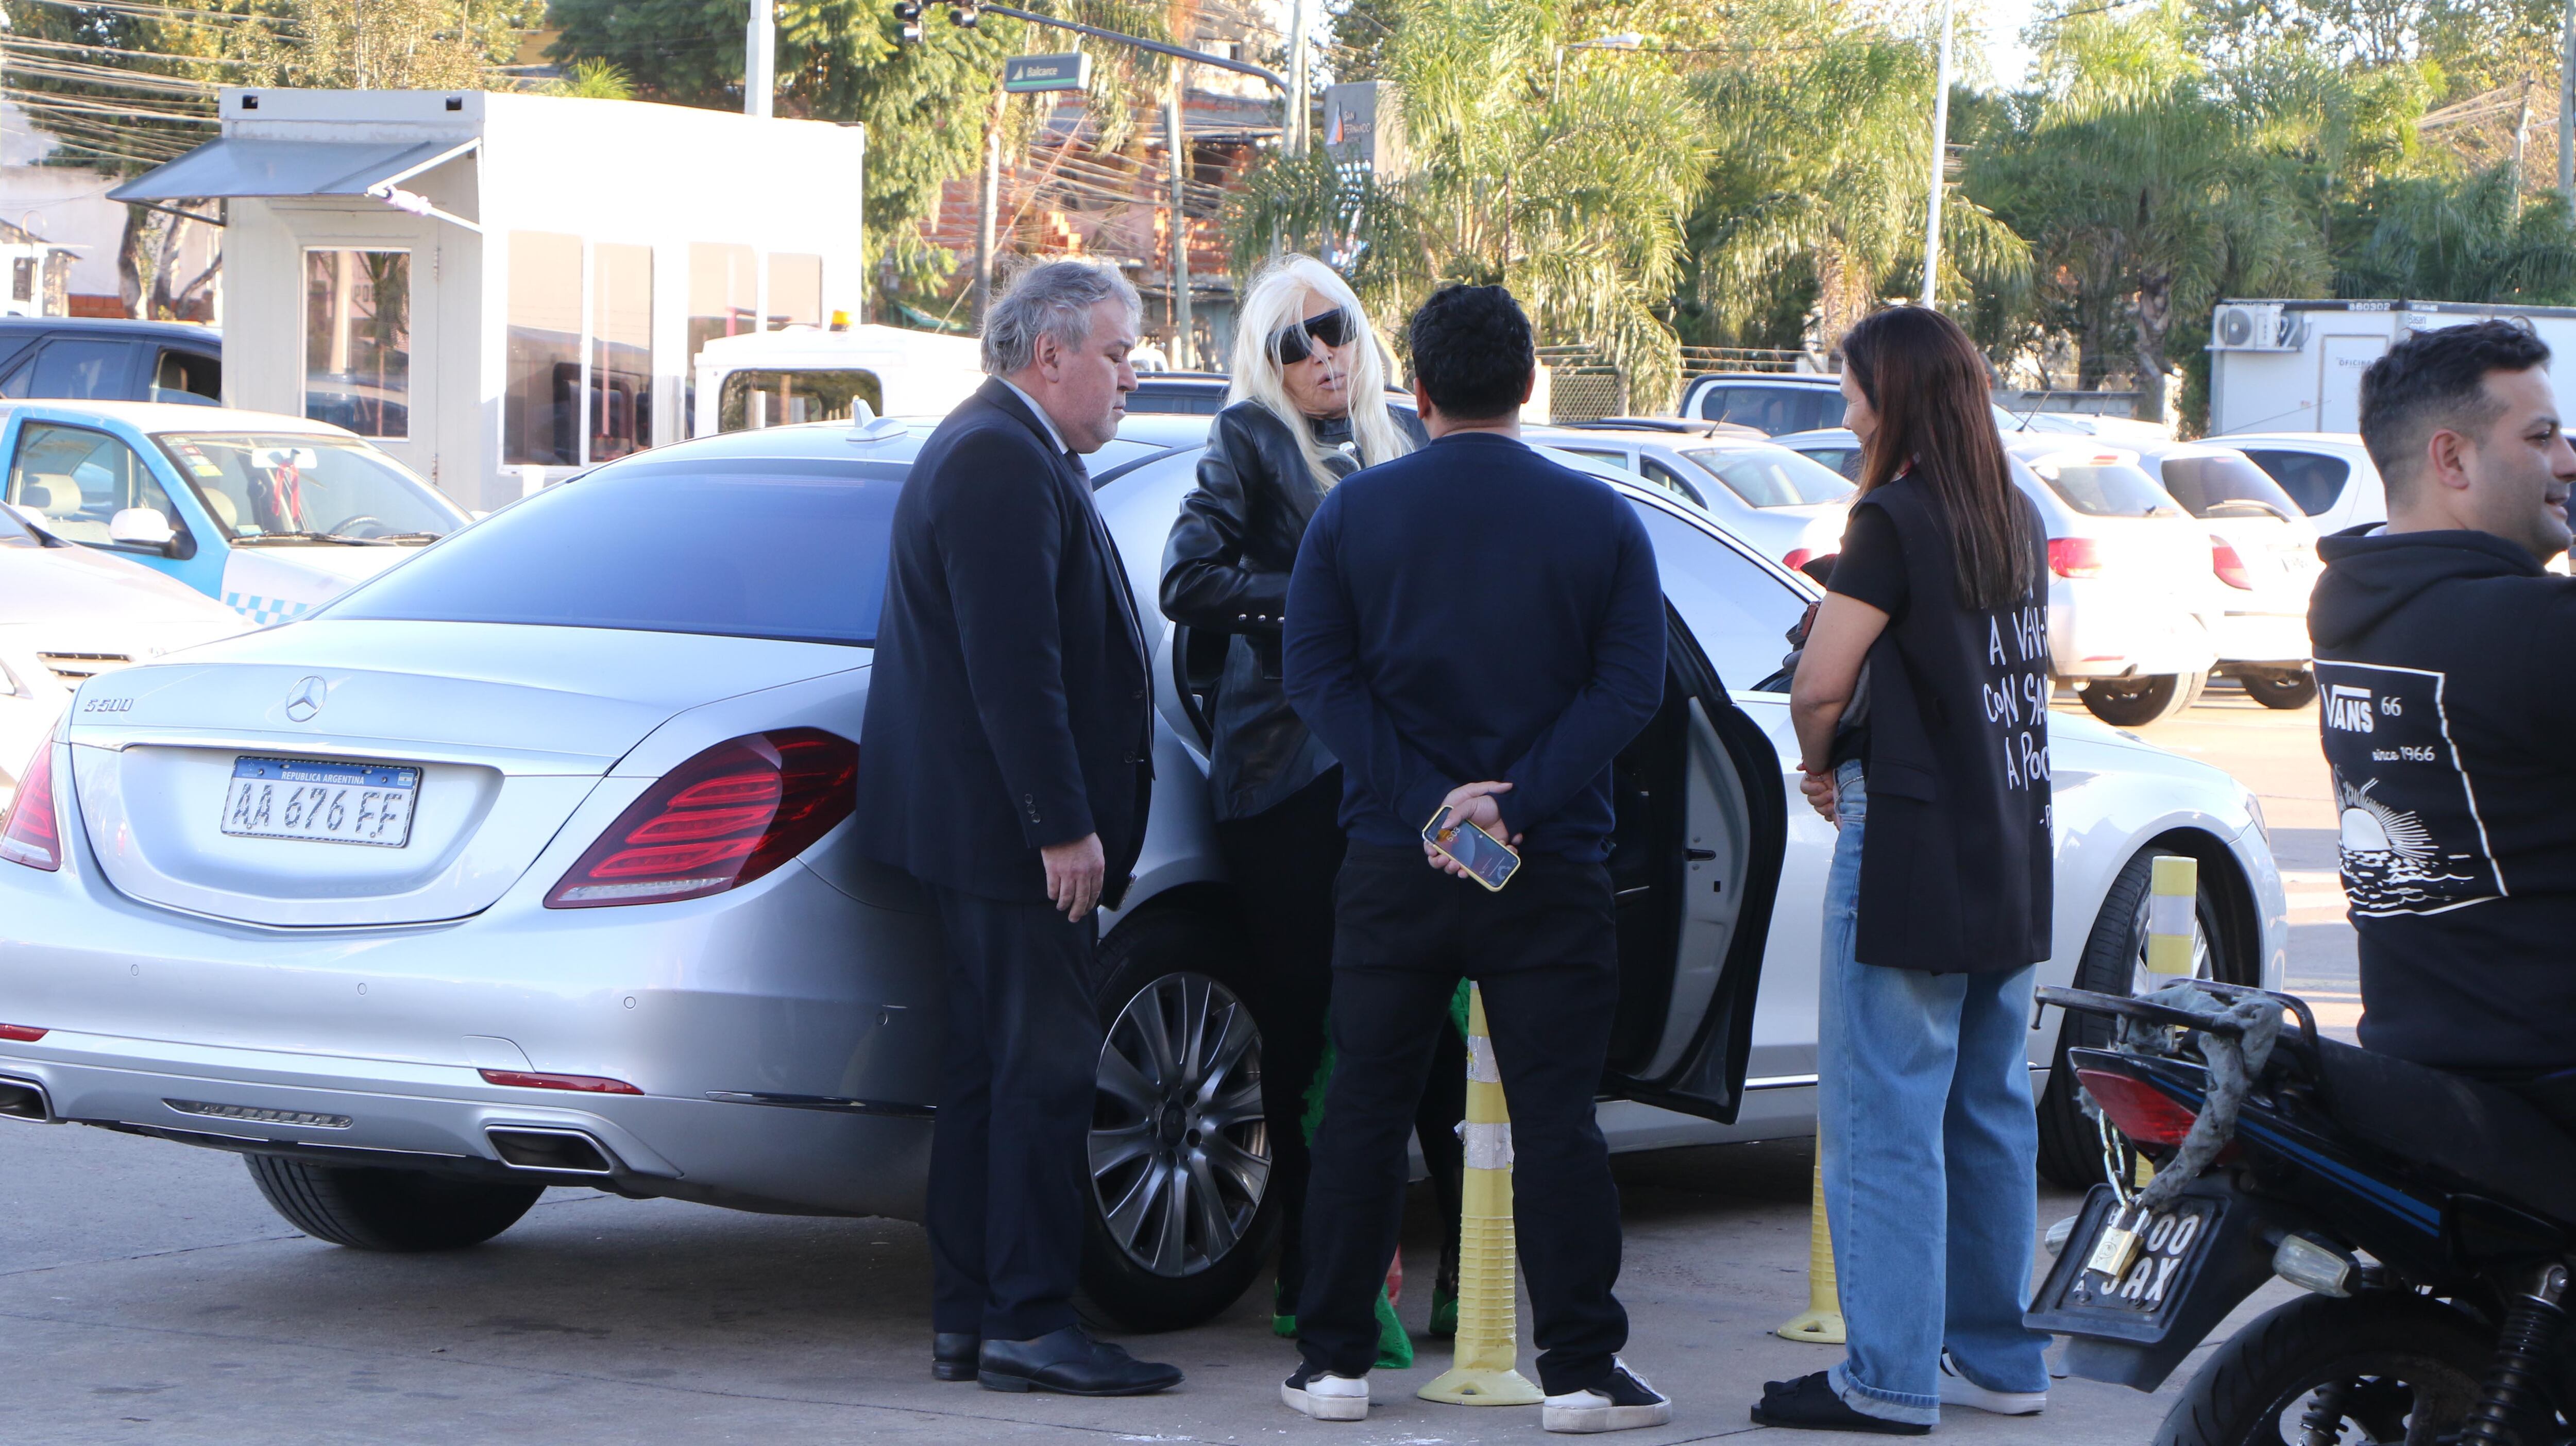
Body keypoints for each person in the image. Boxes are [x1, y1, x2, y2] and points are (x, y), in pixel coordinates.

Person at [1276, 283, 1673, 1433]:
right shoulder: (1601, 521)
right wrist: (1518, 805)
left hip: (1395, 864)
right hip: (1550, 865)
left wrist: (1424, 806)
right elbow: (1629, 688)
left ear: (1421, 391)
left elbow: (1318, 679)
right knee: (1557, 1120)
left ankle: (1337, 1365)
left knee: (1365, 1104)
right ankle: (1583, 1373)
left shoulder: (1353, 517)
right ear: (1529, 385)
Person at [853, 260, 1181, 1397]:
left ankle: (975, 1321)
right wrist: (1062, 828)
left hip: (983, 835)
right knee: (1037, 1077)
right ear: (1052, 356)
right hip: (1006, 843)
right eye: (1120, 351)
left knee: (993, 1077)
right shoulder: (997, 457)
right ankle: (1030, 1322)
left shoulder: (1009, 445)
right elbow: (1014, 670)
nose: (1133, 375)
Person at [1753, 305, 2053, 1435]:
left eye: (1853, 389)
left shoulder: (1892, 517)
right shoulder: (2013, 516)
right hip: (2008, 838)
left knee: (1884, 1117)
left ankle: (1883, 1381)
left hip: (1913, 840)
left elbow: (1820, 683)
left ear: (1897, 397)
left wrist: (1816, 765)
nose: (1844, 408)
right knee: (1987, 1108)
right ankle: (2003, 1359)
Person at [1157, 254, 1461, 1351]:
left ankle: (1456, 1276)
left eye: (1330, 329)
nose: (1321, 356)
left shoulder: (1407, 439)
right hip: (1285, 770)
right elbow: (1186, 580)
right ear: (1263, 361)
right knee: (1307, 1025)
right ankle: (1314, 1271)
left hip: (1402, 769)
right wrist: (1320, 596)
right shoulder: (1247, 441)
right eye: (1292, 344)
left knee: (1428, 1018)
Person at [2308, 319, 2576, 1136]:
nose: (2567, 460)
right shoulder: (2529, 628)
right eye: (2541, 438)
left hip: (2419, 1061)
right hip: (2548, 1074)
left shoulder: (2355, 607)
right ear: (2452, 459)